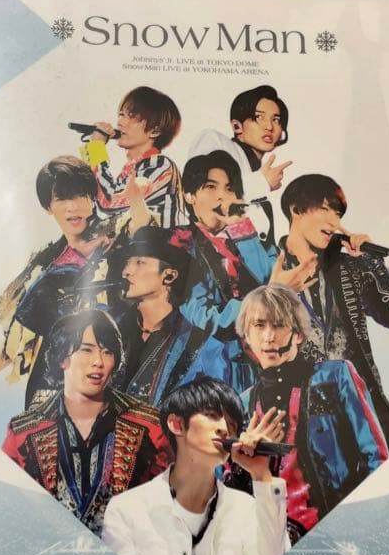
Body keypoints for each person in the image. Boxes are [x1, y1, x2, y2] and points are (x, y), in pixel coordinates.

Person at [0, 156, 151, 416]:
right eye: (62, 199)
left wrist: (136, 200)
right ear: (48, 206)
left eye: (80, 195)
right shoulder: (45, 264)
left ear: (92, 199)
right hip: (51, 388)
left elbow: (142, 231)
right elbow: (19, 339)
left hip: (109, 378)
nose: (73, 207)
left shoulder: (112, 237)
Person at [101, 376, 290, 555]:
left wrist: (261, 475)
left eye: (232, 425)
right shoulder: (127, 509)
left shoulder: (243, 507)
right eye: (211, 415)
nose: (224, 429)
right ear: (176, 424)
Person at [231, 284, 389, 543]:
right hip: (275, 540)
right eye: (259, 325)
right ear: (246, 336)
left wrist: (365, 526)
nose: (268, 337)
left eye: (279, 325)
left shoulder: (335, 376)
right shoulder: (243, 403)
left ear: (298, 334)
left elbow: (377, 456)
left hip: (340, 533)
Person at [2, 309, 171, 537]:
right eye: (86, 350)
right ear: (62, 358)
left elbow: (167, 510)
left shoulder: (149, 426)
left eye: (108, 352)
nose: (99, 362)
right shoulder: (24, 431)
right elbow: (9, 511)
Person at [278, 173, 389, 451]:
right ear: (296, 209)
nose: (333, 222)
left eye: (337, 213)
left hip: (360, 413)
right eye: (325, 209)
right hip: (300, 419)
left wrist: (372, 262)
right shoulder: (267, 266)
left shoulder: (349, 268)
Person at [175, 149, 313, 394]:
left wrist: (242, 229)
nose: (223, 196)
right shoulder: (179, 244)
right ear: (189, 195)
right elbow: (207, 318)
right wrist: (272, 292)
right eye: (211, 187)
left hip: (262, 365)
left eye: (229, 189)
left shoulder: (247, 237)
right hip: (211, 370)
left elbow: (274, 276)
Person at [108, 225, 206, 405]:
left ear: (169, 276)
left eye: (140, 262)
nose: (126, 271)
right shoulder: (110, 327)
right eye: (127, 262)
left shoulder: (195, 341)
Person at [189, 85, 294, 244]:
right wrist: (261, 182)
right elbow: (201, 196)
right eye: (259, 117)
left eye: (276, 120)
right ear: (237, 125)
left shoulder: (258, 175)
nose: (269, 127)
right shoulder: (215, 141)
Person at [82, 85, 184, 227]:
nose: (120, 122)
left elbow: (109, 202)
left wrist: (96, 148)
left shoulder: (160, 165)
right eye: (121, 114)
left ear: (155, 130)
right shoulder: (133, 169)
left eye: (131, 116)